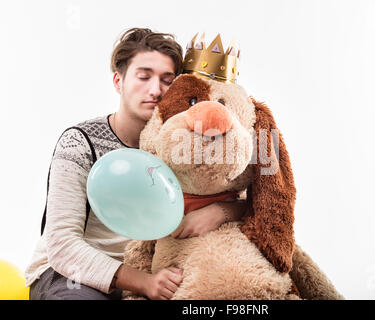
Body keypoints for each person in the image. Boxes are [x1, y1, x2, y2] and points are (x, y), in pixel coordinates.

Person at [25, 27, 247, 300]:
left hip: (156, 273)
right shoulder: (79, 142)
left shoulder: (184, 145)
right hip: (71, 275)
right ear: (119, 82)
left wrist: (220, 212)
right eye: (143, 77)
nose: (155, 90)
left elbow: (247, 201)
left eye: (167, 80)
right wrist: (143, 283)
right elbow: (62, 245)